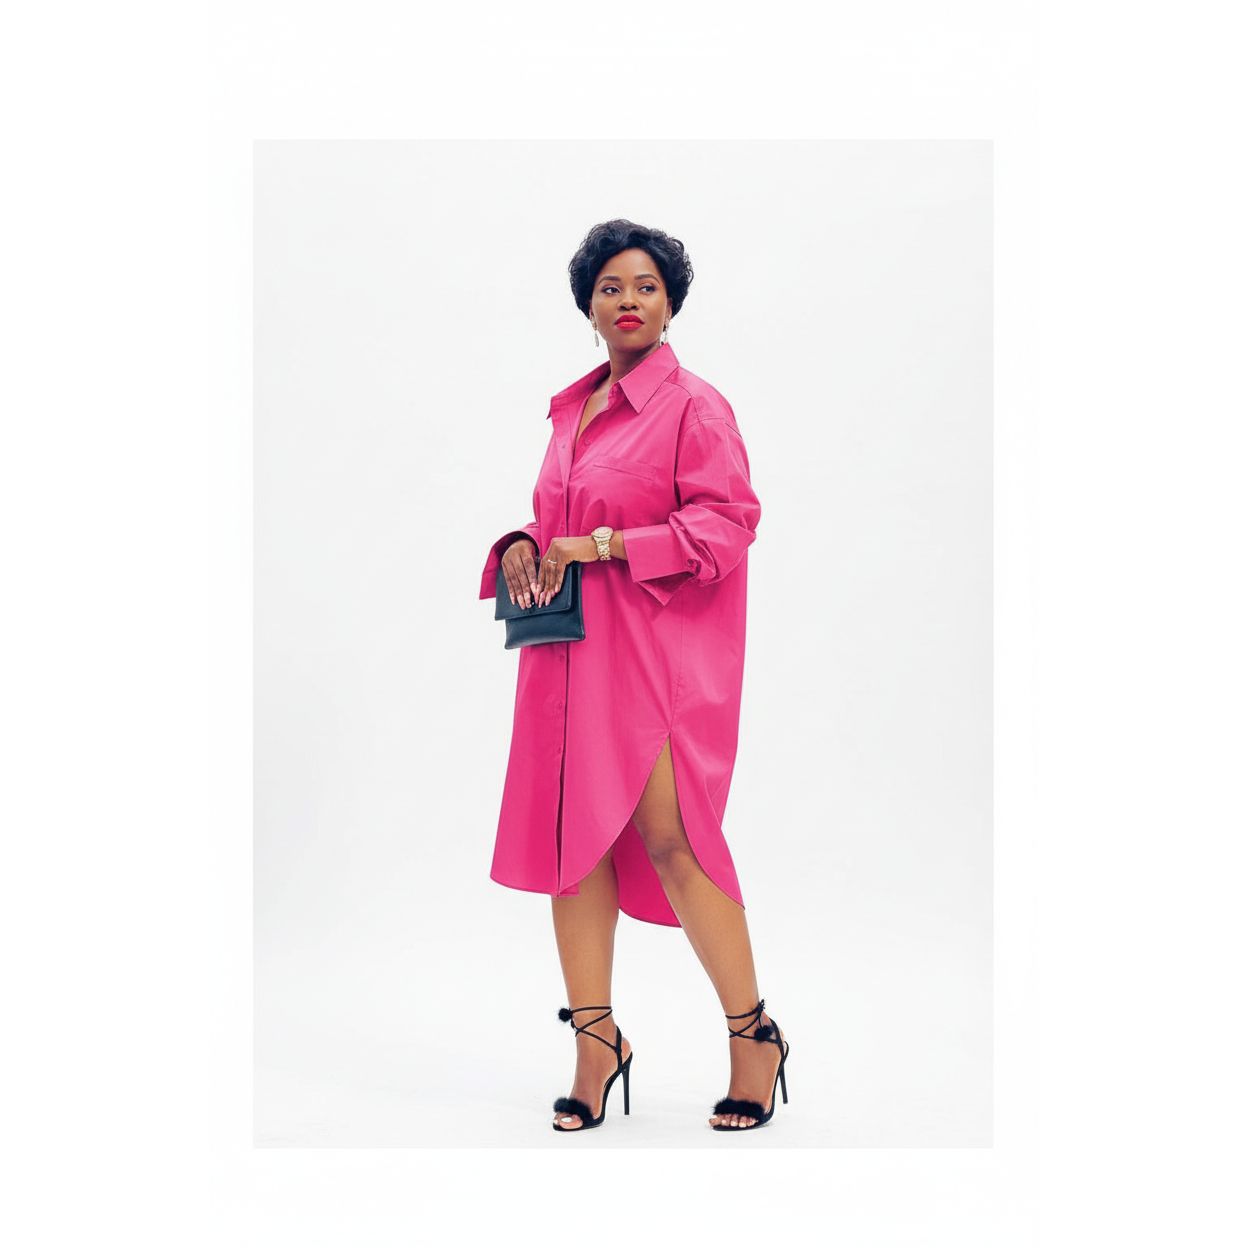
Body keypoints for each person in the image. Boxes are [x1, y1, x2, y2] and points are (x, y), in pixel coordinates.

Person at [478, 219, 790, 1132]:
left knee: (674, 841)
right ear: (588, 305)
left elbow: (728, 525)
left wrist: (608, 545)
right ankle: (596, 1044)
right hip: (569, 655)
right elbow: (560, 518)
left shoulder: (695, 408)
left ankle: (754, 1037)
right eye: (610, 287)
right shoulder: (571, 409)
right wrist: (527, 543)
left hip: (655, 662)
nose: (628, 301)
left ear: (670, 304)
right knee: (572, 852)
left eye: (646, 287)